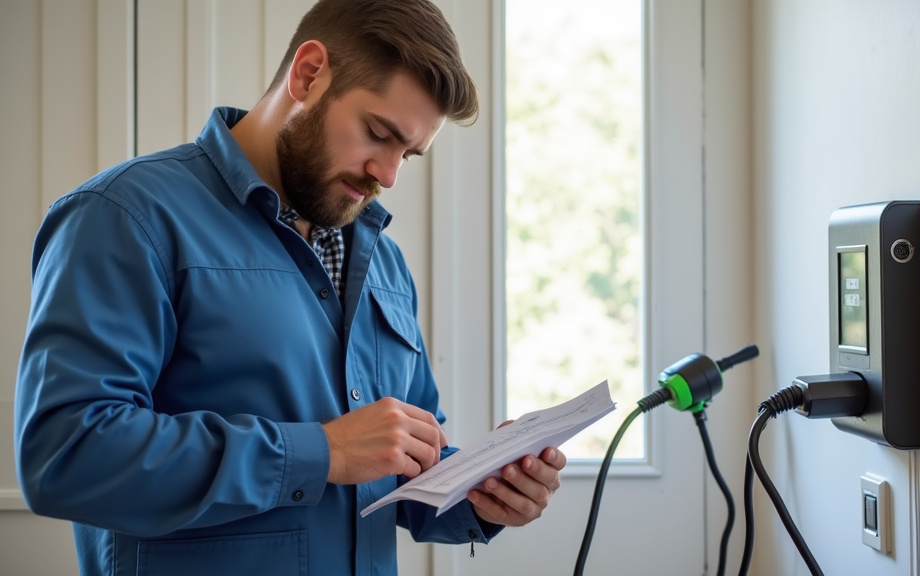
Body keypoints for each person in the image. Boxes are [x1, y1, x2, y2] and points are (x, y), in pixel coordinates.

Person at [13, 1, 566, 574]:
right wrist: (323, 452)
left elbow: (402, 470)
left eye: (408, 154)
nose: (389, 173)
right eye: (378, 133)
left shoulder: (386, 263)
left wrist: (483, 493)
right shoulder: (126, 217)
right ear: (309, 73)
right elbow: (66, 454)